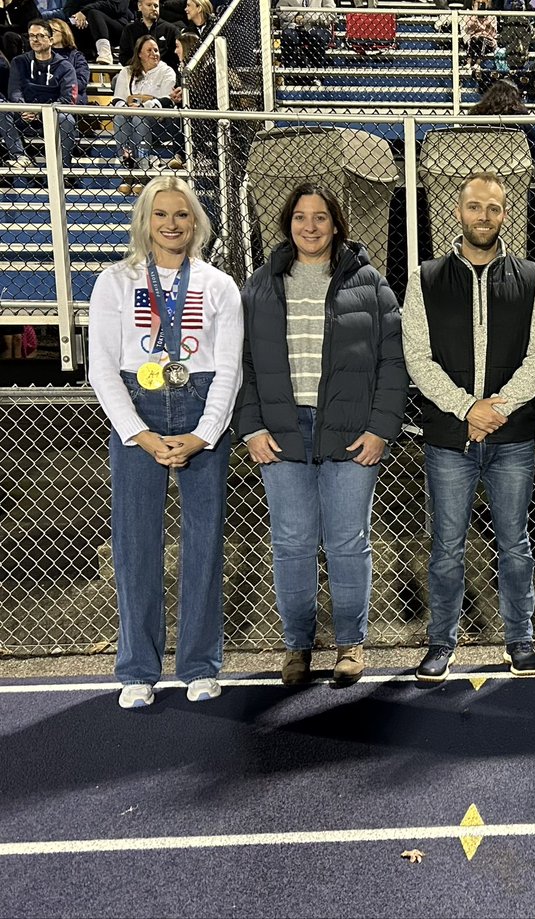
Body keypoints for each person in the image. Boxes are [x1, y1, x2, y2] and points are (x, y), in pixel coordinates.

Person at [236, 184, 407, 687]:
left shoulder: (371, 285)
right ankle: (298, 647)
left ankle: (350, 645)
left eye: (320, 218)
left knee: (348, 542)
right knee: (291, 543)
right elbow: (241, 365)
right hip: (284, 433)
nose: (309, 227)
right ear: (287, 223)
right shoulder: (261, 286)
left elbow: (392, 366)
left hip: (352, 435)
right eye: (300, 218)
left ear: (336, 224)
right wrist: (251, 427)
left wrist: (380, 429)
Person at [87, 175, 243, 709]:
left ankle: (199, 664)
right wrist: (139, 433)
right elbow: (102, 367)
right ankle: (136, 668)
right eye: (161, 214)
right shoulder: (115, 281)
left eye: (182, 214)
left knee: (203, 543)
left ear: (196, 222)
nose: (172, 224)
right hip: (140, 407)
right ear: (145, 221)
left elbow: (229, 369)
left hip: (201, 410)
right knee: (135, 544)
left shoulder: (220, 285)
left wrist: (205, 433)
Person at [402, 173, 535, 682]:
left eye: (492, 208)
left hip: (511, 438)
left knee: (515, 542)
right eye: (473, 207)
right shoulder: (424, 278)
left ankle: (521, 640)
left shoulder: (532, 278)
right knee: (447, 545)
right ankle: (441, 643)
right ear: (458, 212)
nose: (482, 216)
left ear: (504, 215)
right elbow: (418, 359)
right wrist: (468, 408)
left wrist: (500, 406)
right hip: (450, 438)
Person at [1, 19, 78, 172]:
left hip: (53, 116)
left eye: (40, 36)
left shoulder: (65, 67)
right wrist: (24, 109)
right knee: (2, 108)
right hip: (23, 115)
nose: (35, 40)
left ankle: (63, 170)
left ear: (50, 40)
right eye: (31, 36)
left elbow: (68, 99)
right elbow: (15, 91)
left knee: (67, 118)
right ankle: (19, 156)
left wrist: (41, 112)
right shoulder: (19, 62)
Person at [110, 36, 176, 194]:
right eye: (149, 50)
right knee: (120, 117)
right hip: (130, 117)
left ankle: (143, 172)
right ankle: (128, 168)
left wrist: (142, 106)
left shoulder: (166, 71)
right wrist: (126, 107)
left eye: (156, 50)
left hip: (159, 122)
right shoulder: (126, 72)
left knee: (139, 117)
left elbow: (167, 99)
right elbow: (118, 99)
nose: (154, 53)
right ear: (139, 53)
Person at [120, 0, 180, 72]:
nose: (153, 8)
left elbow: (177, 57)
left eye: (156, 6)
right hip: (138, 73)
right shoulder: (129, 30)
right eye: (149, 5)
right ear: (139, 6)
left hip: (164, 74)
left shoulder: (171, 30)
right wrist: (140, 66)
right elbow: (124, 57)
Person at [279, 0, 334, 76]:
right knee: (288, 35)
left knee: (316, 36)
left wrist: (307, 18)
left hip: (318, 27)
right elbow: (280, 9)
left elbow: (331, 13)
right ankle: (290, 73)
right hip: (295, 26)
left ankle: (317, 73)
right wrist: (294, 17)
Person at [49, 18, 90, 105]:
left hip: (71, 100)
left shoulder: (76, 56)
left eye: (53, 30)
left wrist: (59, 87)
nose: (49, 34)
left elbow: (82, 81)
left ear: (64, 33)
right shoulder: (41, 55)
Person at [465, 0, 498, 80]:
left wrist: (484, 25)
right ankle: (468, 63)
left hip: (489, 41)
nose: (480, 5)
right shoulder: (470, 15)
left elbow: (494, 34)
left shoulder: (492, 16)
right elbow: (468, 31)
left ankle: (478, 62)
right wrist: (474, 15)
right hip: (475, 40)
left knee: (482, 39)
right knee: (474, 39)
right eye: (478, 3)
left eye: (483, 3)